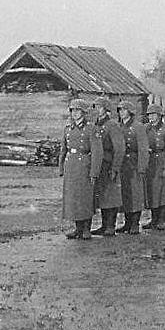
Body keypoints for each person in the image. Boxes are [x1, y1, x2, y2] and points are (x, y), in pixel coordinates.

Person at [59, 99, 102, 240]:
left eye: (77, 110)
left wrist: (94, 172)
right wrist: (61, 168)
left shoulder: (91, 129)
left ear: (84, 112)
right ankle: (78, 228)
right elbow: (63, 150)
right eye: (72, 110)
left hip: (84, 166)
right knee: (73, 199)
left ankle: (86, 229)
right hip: (71, 166)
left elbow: (97, 152)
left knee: (85, 198)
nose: (75, 113)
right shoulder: (68, 128)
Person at [90, 98, 125, 237]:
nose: (97, 109)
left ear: (106, 109)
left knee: (111, 196)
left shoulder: (112, 125)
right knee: (103, 196)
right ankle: (104, 225)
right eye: (95, 106)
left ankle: (111, 226)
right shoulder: (96, 125)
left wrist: (115, 167)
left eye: (99, 107)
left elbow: (119, 148)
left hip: (109, 164)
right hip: (100, 165)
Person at [116, 100, 149, 234]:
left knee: (136, 194)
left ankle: (135, 223)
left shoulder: (138, 127)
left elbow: (143, 148)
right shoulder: (119, 126)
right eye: (119, 110)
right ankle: (127, 223)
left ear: (130, 111)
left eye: (124, 110)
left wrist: (142, 166)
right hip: (122, 163)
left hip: (134, 163)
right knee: (125, 194)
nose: (121, 112)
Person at [142, 105, 165, 231]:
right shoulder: (146, 128)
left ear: (159, 115)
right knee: (152, 192)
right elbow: (142, 143)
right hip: (151, 163)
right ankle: (154, 219)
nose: (151, 117)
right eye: (149, 114)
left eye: (153, 114)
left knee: (164, 192)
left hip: (162, 161)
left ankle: (162, 220)